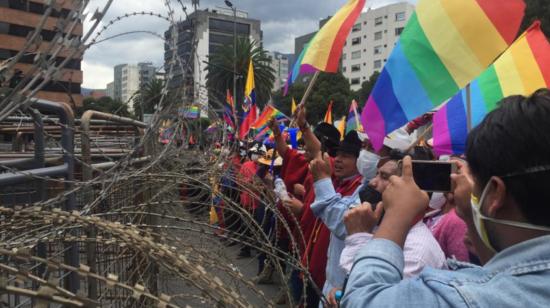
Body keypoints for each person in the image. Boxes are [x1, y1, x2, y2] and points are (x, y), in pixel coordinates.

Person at [341, 89, 550, 307]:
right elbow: (503, 268)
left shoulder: (464, 298)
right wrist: (475, 215)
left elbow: (364, 300)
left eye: (477, 184)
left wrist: (395, 217)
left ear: (495, 193)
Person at [308, 130, 364, 306]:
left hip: (341, 291)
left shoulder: (364, 190)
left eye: (345, 156)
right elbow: (318, 155)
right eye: (337, 155)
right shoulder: (340, 182)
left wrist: (322, 179)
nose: (338, 160)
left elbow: (341, 223)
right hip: (328, 279)